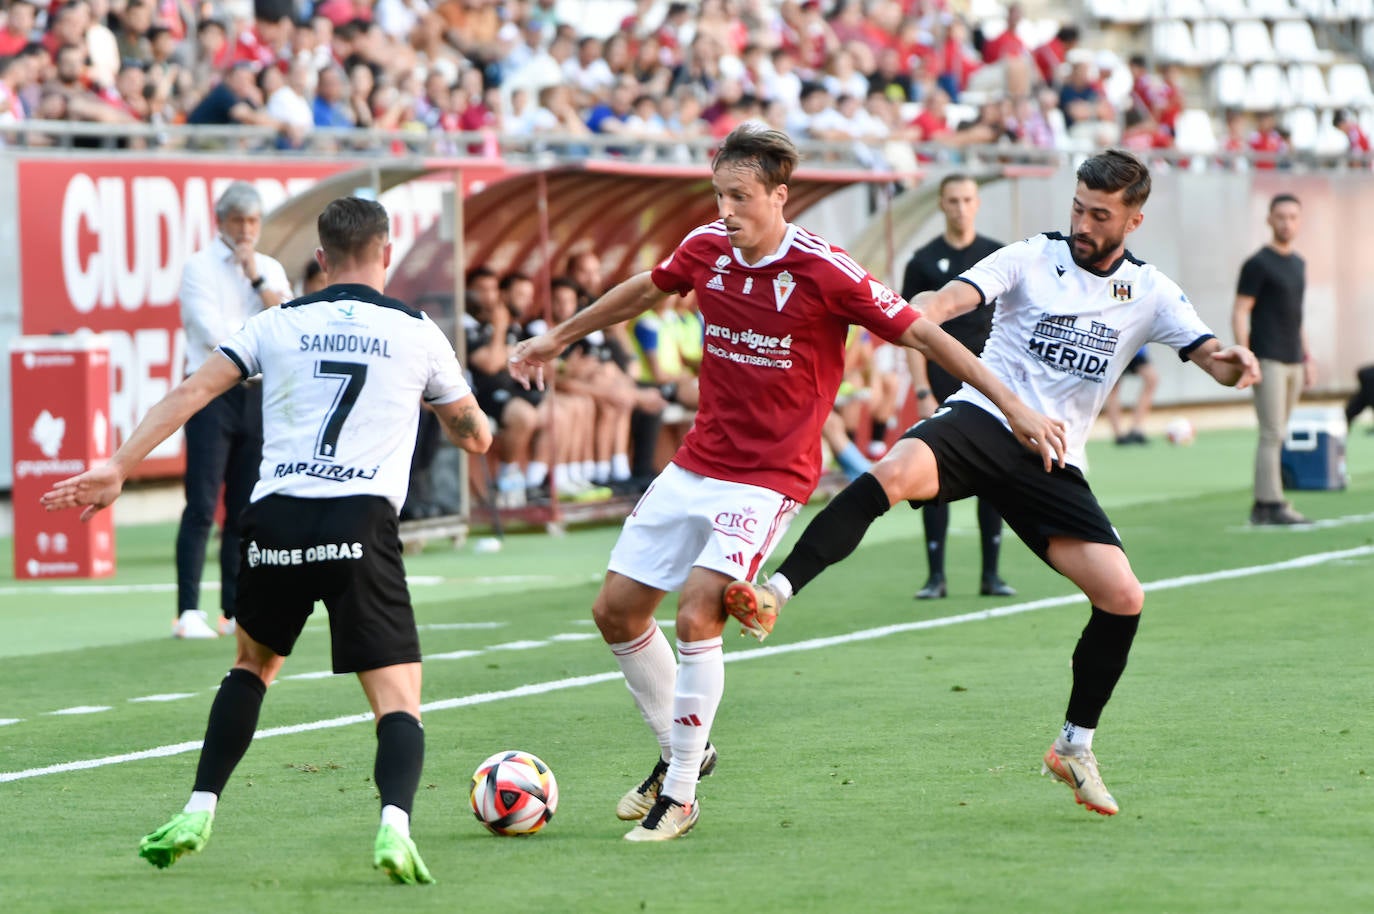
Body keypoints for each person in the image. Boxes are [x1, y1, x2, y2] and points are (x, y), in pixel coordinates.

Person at [507, 124, 1065, 842]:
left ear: (779, 196)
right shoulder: (705, 248)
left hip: (767, 479)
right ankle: (686, 749)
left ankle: (679, 794)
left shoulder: (825, 270)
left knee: (698, 614)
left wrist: (1013, 406)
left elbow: (923, 334)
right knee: (616, 612)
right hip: (697, 462)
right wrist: (556, 338)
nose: (726, 210)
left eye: (740, 196)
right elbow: (645, 290)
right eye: (719, 195)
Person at [724, 149, 1260, 818]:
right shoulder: (1033, 256)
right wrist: (918, 309)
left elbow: (1210, 357)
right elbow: (949, 301)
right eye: (1078, 208)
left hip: (1052, 458)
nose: (1083, 224)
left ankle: (1074, 745)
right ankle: (774, 593)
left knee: (1123, 597)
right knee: (892, 474)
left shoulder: (1149, 291)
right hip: (984, 418)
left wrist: (1232, 362)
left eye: (1100, 216)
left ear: (1133, 221)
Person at [40, 196, 492, 884]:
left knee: (252, 667)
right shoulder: (416, 330)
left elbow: (193, 392)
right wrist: (451, 410)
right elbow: (474, 435)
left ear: (320, 258)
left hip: (275, 517)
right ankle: (395, 826)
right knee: (398, 700)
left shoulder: (276, 322)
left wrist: (118, 467)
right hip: (359, 523)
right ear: (386, 252)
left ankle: (197, 808)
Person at [172, 182, 293, 639]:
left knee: (244, 509)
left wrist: (256, 278)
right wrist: (260, 331)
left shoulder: (270, 268)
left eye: (253, 221)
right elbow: (213, 334)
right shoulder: (198, 268)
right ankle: (188, 610)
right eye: (239, 220)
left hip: (256, 394)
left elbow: (287, 322)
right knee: (202, 503)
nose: (246, 230)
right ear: (221, 221)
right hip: (210, 393)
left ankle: (234, 608)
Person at [902, 174, 1014, 600]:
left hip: (990, 384)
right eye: (952, 200)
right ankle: (936, 577)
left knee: (994, 477)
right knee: (931, 475)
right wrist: (921, 390)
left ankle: (991, 575)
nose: (960, 207)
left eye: (967, 199)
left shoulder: (998, 256)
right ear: (941, 204)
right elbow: (910, 330)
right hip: (941, 386)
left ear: (977, 203)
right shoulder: (922, 261)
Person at [1233, 193, 1312, 525]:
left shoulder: (1299, 264)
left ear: (1299, 221)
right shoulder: (1258, 264)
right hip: (1268, 358)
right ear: (1269, 219)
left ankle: (1266, 504)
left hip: (1293, 358)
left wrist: (1307, 357)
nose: (1286, 223)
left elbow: (1297, 316)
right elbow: (1240, 311)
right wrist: (1246, 356)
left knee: (1279, 432)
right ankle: (1270, 502)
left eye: (1293, 217)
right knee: (1272, 431)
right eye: (1281, 216)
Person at [1104, 346, 1159, 445]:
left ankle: (1136, 429)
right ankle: (1119, 434)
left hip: (1137, 350)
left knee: (1152, 379)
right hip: (1117, 350)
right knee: (1113, 387)